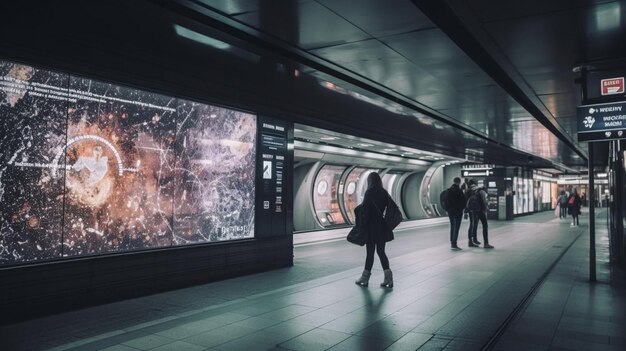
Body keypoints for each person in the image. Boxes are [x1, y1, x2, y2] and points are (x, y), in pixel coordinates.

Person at [355, 172, 395, 288]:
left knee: (370, 253)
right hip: (381, 227)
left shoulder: (369, 192)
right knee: (381, 252)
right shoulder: (384, 192)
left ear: (370, 181)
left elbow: (365, 211)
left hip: (371, 228)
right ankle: (388, 277)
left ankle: (365, 278)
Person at [465, 179, 494, 249]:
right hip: (480, 210)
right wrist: (485, 209)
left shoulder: (468, 191)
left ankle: (470, 241)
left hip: (472, 211)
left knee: (472, 225)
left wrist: (465, 211)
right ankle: (486, 243)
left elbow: (466, 202)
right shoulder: (480, 190)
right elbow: (484, 201)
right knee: (485, 225)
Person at [446, 177, 466, 250]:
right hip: (458, 212)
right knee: (456, 228)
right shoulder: (459, 191)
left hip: (450, 212)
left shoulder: (448, 190)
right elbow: (464, 201)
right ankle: (454, 244)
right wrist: (462, 209)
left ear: (453, 181)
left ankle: (452, 242)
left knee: (452, 226)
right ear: (459, 182)